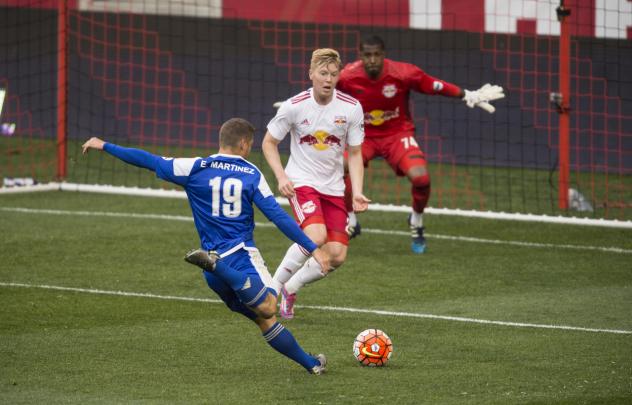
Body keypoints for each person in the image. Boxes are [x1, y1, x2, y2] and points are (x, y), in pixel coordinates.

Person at [81, 118, 331, 374]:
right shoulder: (251, 173)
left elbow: (148, 159)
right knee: (269, 305)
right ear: (244, 144)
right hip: (239, 258)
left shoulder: (195, 167)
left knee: (264, 320)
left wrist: (105, 145)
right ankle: (219, 266)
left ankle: (311, 364)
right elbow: (277, 216)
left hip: (212, 272)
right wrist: (312, 248)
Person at [337, 35, 505, 254]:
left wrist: (466, 94)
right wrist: (300, 106)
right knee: (339, 168)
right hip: (362, 135)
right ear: (360, 55)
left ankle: (416, 221)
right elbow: (325, 88)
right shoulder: (348, 76)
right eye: (367, 55)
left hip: (397, 134)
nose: (372, 60)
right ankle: (351, 221)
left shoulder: (402, 73)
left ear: (383, 55)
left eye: (376, 55)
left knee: (421, 177)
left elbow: (433, 85)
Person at [262, 48, 370, 320]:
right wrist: (282, 176)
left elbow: (356, 153)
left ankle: (291, 287)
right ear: (311, 74)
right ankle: (271, 292)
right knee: (316, 237)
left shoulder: (351, 107)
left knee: (337, 256)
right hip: (301, 181)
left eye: (334, 74)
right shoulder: (294, 106)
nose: (328, 79)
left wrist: (356, 192)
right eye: (323, 73)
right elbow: (269, 143)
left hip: (333, 188)